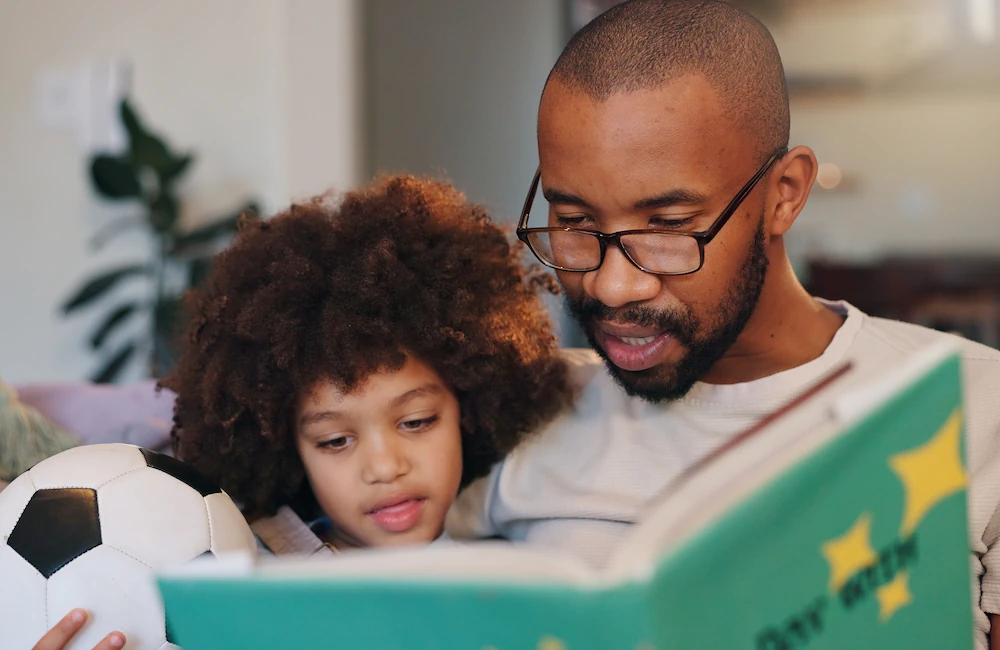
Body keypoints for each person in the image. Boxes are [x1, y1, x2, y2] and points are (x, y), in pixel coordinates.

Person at [445, 2, 1000, 648]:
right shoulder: (509, 415)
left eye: (669, 225)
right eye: (574, 222)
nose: (612, 285)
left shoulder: (977, 407)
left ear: (784, 194)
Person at [32, 174, 573, 649]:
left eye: (416, 422)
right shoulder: (242, 563)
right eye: (335, 441)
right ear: (284, 445)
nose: (385, 467)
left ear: (471, 403)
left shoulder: (511, 566)